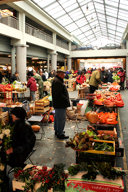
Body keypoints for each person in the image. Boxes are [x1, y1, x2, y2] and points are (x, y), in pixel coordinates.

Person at [52, 70, 70, 139]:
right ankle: (60, 133)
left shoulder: (57, 80)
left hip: (58, 103)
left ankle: (57, 130)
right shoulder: (58, 82)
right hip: (60, 103)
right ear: (59, 74)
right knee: (61, 119)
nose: (64, 76)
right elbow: (58, 94)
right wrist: (66, 99)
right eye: (63, 74)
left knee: (57, 118)